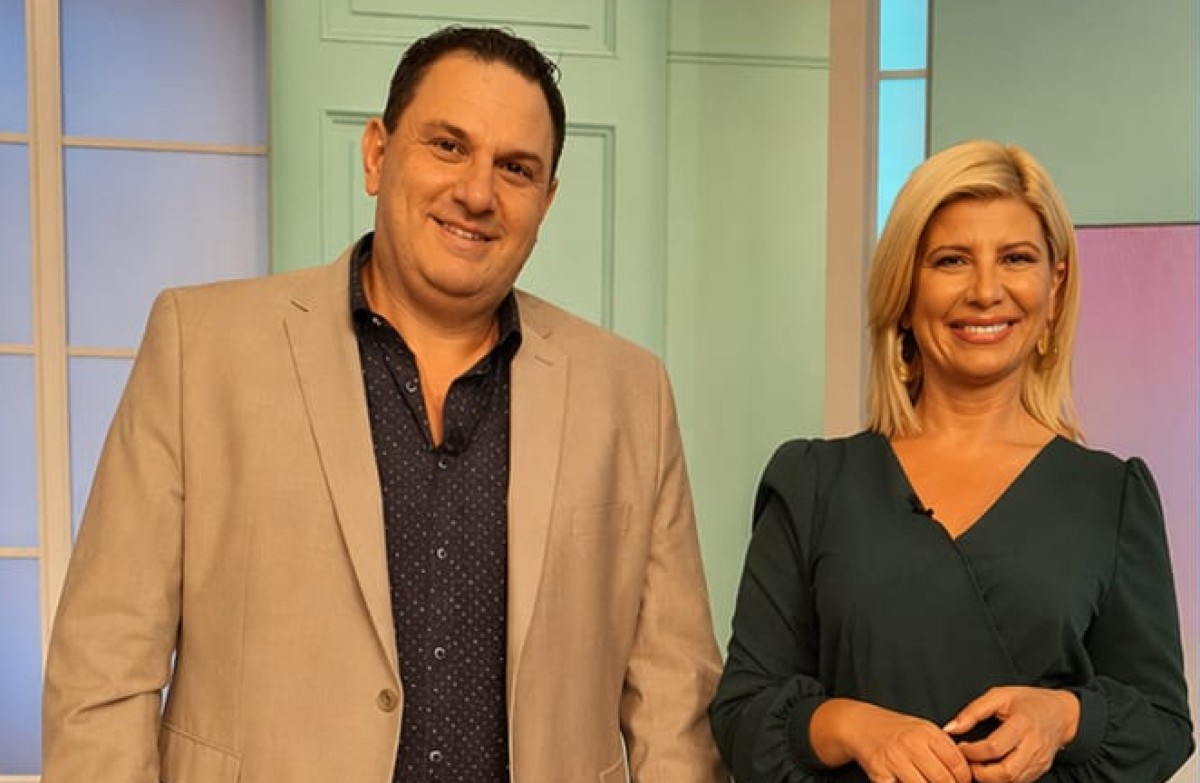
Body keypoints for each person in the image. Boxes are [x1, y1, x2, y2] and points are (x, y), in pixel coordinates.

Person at [43, 26, 726, 783]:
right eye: (448, 146)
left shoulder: (629, 393)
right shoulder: (201, 348)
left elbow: (675, 705)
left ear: (547, 200)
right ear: (377, 153)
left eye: (516, 168)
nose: (477, 193)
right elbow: (103, 671)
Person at [709, 140, 1194, 783]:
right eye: (951, 260)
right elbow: (742, 714)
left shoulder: (1112, 494)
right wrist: (852, 727)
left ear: (1054, 286)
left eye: (1016, 258)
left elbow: (1163, 725)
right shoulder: (813, 483)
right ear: (905, 289)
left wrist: (1065, 716)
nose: (986, 291)